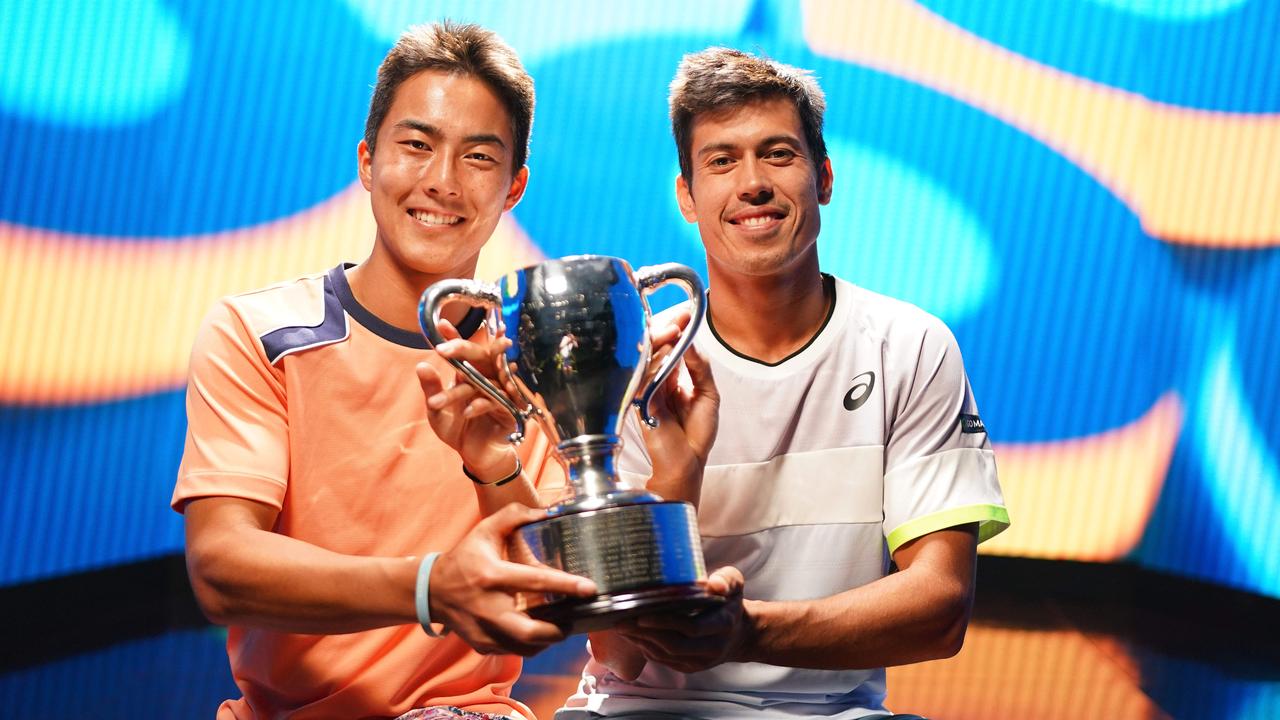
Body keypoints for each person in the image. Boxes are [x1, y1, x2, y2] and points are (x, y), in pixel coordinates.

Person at [558, 47, 1011, 719]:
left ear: (823, 177)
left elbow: (940, 608)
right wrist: (676, 483)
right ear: (686, 195)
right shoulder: (639, 363)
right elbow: (617, 651)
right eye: (721, 160)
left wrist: (748, 631)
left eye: (778, 154)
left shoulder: (910, 345)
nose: (752, 185)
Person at [172, 22, 600, 720]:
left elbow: (547, 594)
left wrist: (494, 468)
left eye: (479, 157)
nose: (442, 182)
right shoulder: (259, 333)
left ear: (515, 186)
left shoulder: (539, 364)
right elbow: (221, 567)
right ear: (368, 161)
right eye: (416, 145)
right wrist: (431, 586)